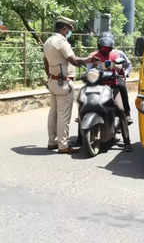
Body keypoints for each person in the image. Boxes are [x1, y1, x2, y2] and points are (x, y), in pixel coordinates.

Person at [43, 16, 93, 154]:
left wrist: (50, 75)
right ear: (64, 28)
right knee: (63, 115)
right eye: (69, 29)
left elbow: (45, 62)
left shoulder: (48, 41)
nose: (69, 32)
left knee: (53, 113)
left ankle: (52, 141)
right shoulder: (61, 41)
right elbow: (74, 60)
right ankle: (63, 145)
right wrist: (88, 60)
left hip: (53, 81)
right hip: (63, 82)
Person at [88, 34, 133, 151]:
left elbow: (121, 67)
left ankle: (127, 141)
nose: (105, 50)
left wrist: (119, 68)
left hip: (113, 87)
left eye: (107, 48)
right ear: (99, 46)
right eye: (103, 48)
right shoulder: (94, 57)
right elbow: (89, 70)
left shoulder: (115, 55)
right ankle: (80, 138)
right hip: (98, 87)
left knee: (121, 110)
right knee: (84, 105)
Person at [98, 32, 133, 125]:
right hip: (100, 79)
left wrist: (125, 73)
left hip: (116, 78)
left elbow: (129, 65)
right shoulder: (96, 54)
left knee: (122, 86)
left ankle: (127, 113)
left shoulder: (119, 53)